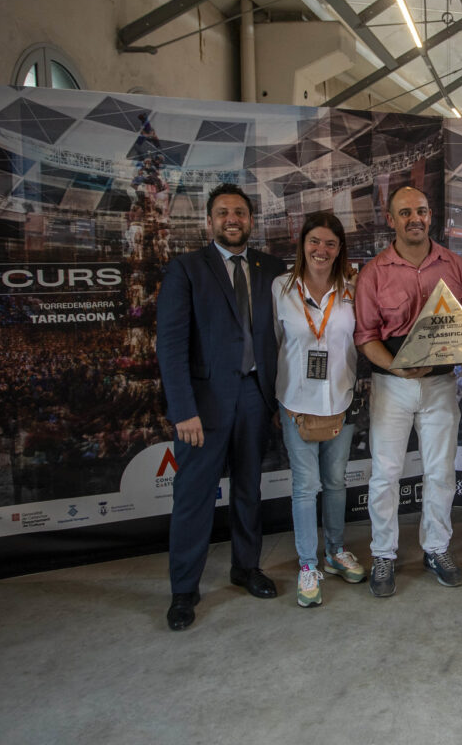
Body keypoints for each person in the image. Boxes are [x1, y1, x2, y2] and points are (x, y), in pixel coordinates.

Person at [156, 183, 285, 631]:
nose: (233, 219)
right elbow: (170, 347)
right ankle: (184, 591)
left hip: (256, 397)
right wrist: (182, 410)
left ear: (251, 220)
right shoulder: (186, 269)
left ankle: (246, 567)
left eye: (241, 213)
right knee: (193, 499)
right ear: (209, 222)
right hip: (202, 408)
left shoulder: (271, 267)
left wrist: (276, 399)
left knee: (249, 490)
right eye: (224, 213)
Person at [354, 185, 462, 598]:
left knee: (440, 473)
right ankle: (383, 555)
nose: (416, 218)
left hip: (442, 384)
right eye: (406, 211)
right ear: (390, 219)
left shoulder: (457, 266)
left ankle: (437, 549)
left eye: (423, 211)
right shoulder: (374, 272)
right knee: (385, 475)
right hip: (392, 384)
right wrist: (399, 366)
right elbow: (365, 337)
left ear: (432, 217)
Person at [273, 212, 364, 608]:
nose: (321, 250)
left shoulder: (352, 290)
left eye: (330, 243)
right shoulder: (281, 288)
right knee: (304, 488)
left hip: (340, 403)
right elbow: (276, 342)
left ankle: (335, 551)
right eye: (314, 241)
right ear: (302, 245)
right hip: (296, 405)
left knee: (337, 482)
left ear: (339, 248)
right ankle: (308, 565)